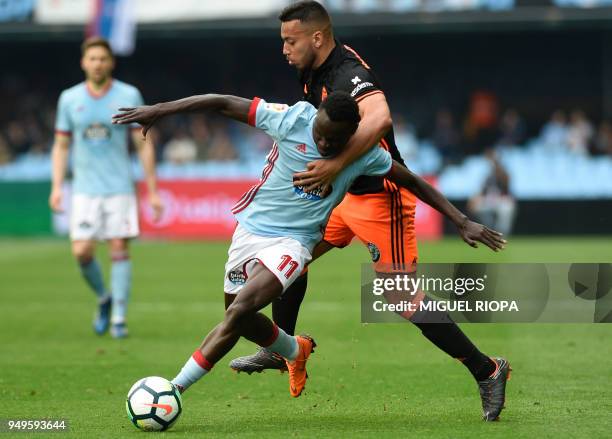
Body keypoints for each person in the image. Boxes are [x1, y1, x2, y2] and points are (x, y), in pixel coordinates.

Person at [112, 90, 505, 400]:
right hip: (252, 228)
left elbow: (412, 180)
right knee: (239, 314)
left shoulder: (363, 153)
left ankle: (174, 388)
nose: (320, 141)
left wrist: (461, 220)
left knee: (245, 309)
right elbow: (220, 103)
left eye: (330, 140)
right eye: (318, 132)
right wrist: (160, 110)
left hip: (297, 240)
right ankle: (293, 349)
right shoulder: (292, 117)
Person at [230, 1, 511, 422]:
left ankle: (487, 370)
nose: (284, 49)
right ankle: (281, 346)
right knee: (288, 254)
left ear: (318, 37)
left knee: (400, 297)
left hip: (381, 197)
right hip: (342, 198)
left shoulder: (348, 74)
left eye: (291, 41)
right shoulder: (312, 70)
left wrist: (335, 165)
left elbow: (379, 118)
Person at [48, 37, 163, 339]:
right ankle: (103, 297)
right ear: (83, 62)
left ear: (111, 62)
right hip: (84, 189)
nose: (98, 63)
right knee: (82, 252)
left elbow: (143, 144)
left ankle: (119, 319)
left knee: (118, 247)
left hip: (119, 188)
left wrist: (152, 189)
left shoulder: (127, 94)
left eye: (103, 58)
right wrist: (57, 186)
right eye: (92, 58)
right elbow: (61, 146)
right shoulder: (69, 99)